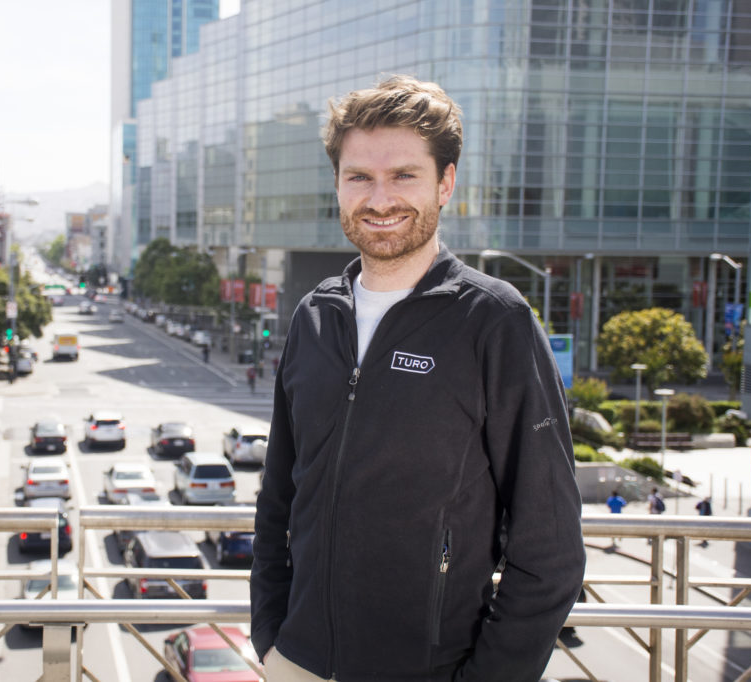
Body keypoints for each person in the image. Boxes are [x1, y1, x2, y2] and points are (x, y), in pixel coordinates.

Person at [251, 75, 585, 682]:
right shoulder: (314, 317)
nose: (380, 199)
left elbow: (551, 546)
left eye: (404, 175)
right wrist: (271, 636)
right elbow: (278, 499)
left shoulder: (495, 321)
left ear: (446, 182)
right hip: (294, 662)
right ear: (338, 184)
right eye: (360, 177)